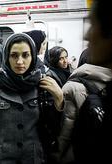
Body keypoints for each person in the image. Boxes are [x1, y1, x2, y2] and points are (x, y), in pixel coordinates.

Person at [0, 33, 63, 164]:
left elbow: (54, 127)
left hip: (34, 158)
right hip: (2, 159)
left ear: (33, 56)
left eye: (25, 55)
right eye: (14, 55)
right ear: (6, 57)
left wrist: (59, 99)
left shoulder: (42, 84)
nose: (20, 61)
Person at [55, 0, 112, 163]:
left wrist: (59, 153)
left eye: (93, 25)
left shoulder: (72, 85)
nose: (86, 35)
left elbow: (68, 125)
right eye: (61, 58)